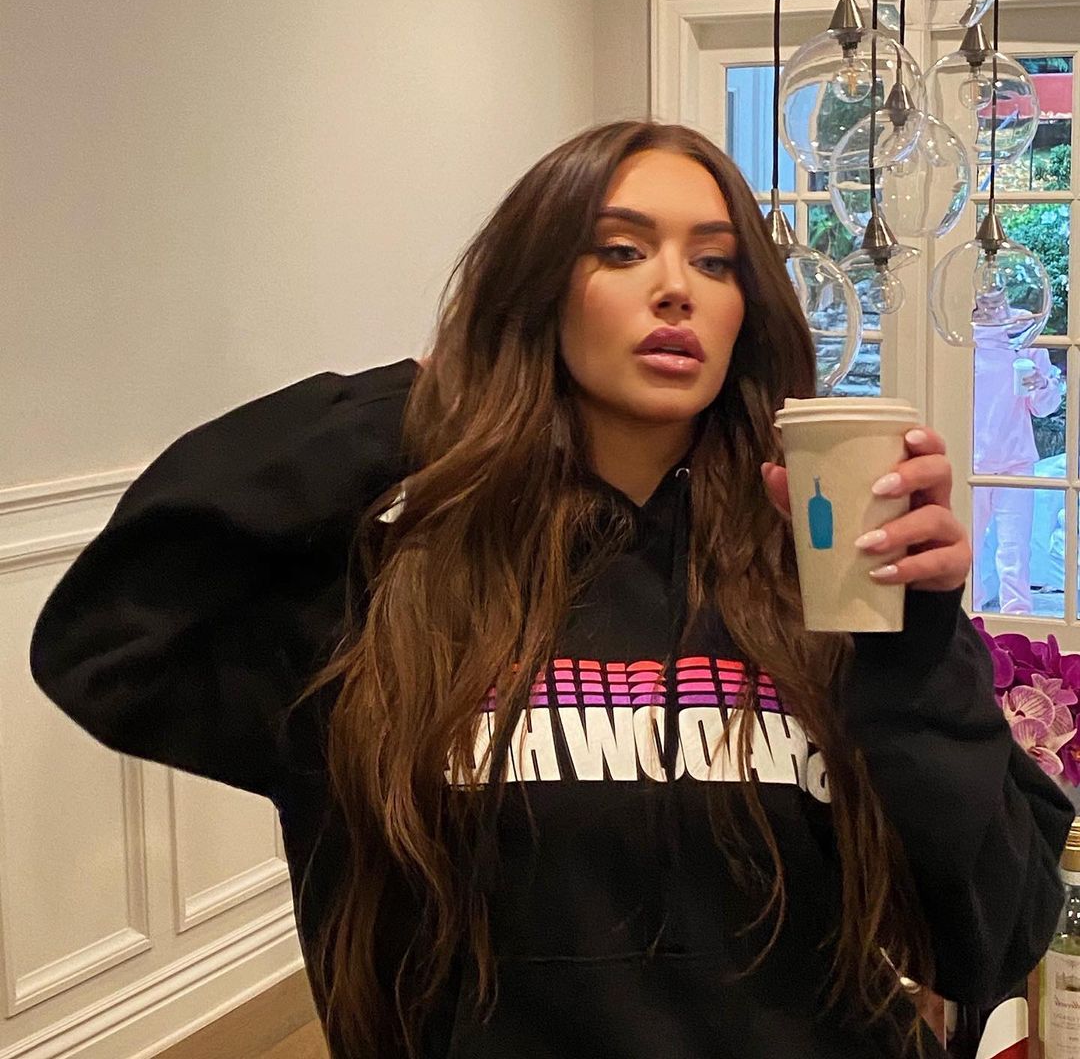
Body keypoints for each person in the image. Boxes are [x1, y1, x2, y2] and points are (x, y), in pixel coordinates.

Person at [28, 121, 1072, 1059]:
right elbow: (107, 641)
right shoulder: (402, 596)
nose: (677, 289)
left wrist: (914, 646)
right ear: (533, 293)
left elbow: (994, 931)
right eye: (620, 250)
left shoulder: (825, 589)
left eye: (715, 262)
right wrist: (424, 401)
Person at [971, 286, 1065, 614]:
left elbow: (1044, 408)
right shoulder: (961, 335)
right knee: (967, 546)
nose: (993, 294)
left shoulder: (1024, 328)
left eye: (999, 287)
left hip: (1016, 458)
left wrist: (1042, 384)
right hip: (971, 458)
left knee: (1015, 551)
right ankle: (969, 619)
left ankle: (1018, 620)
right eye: (985, 288)